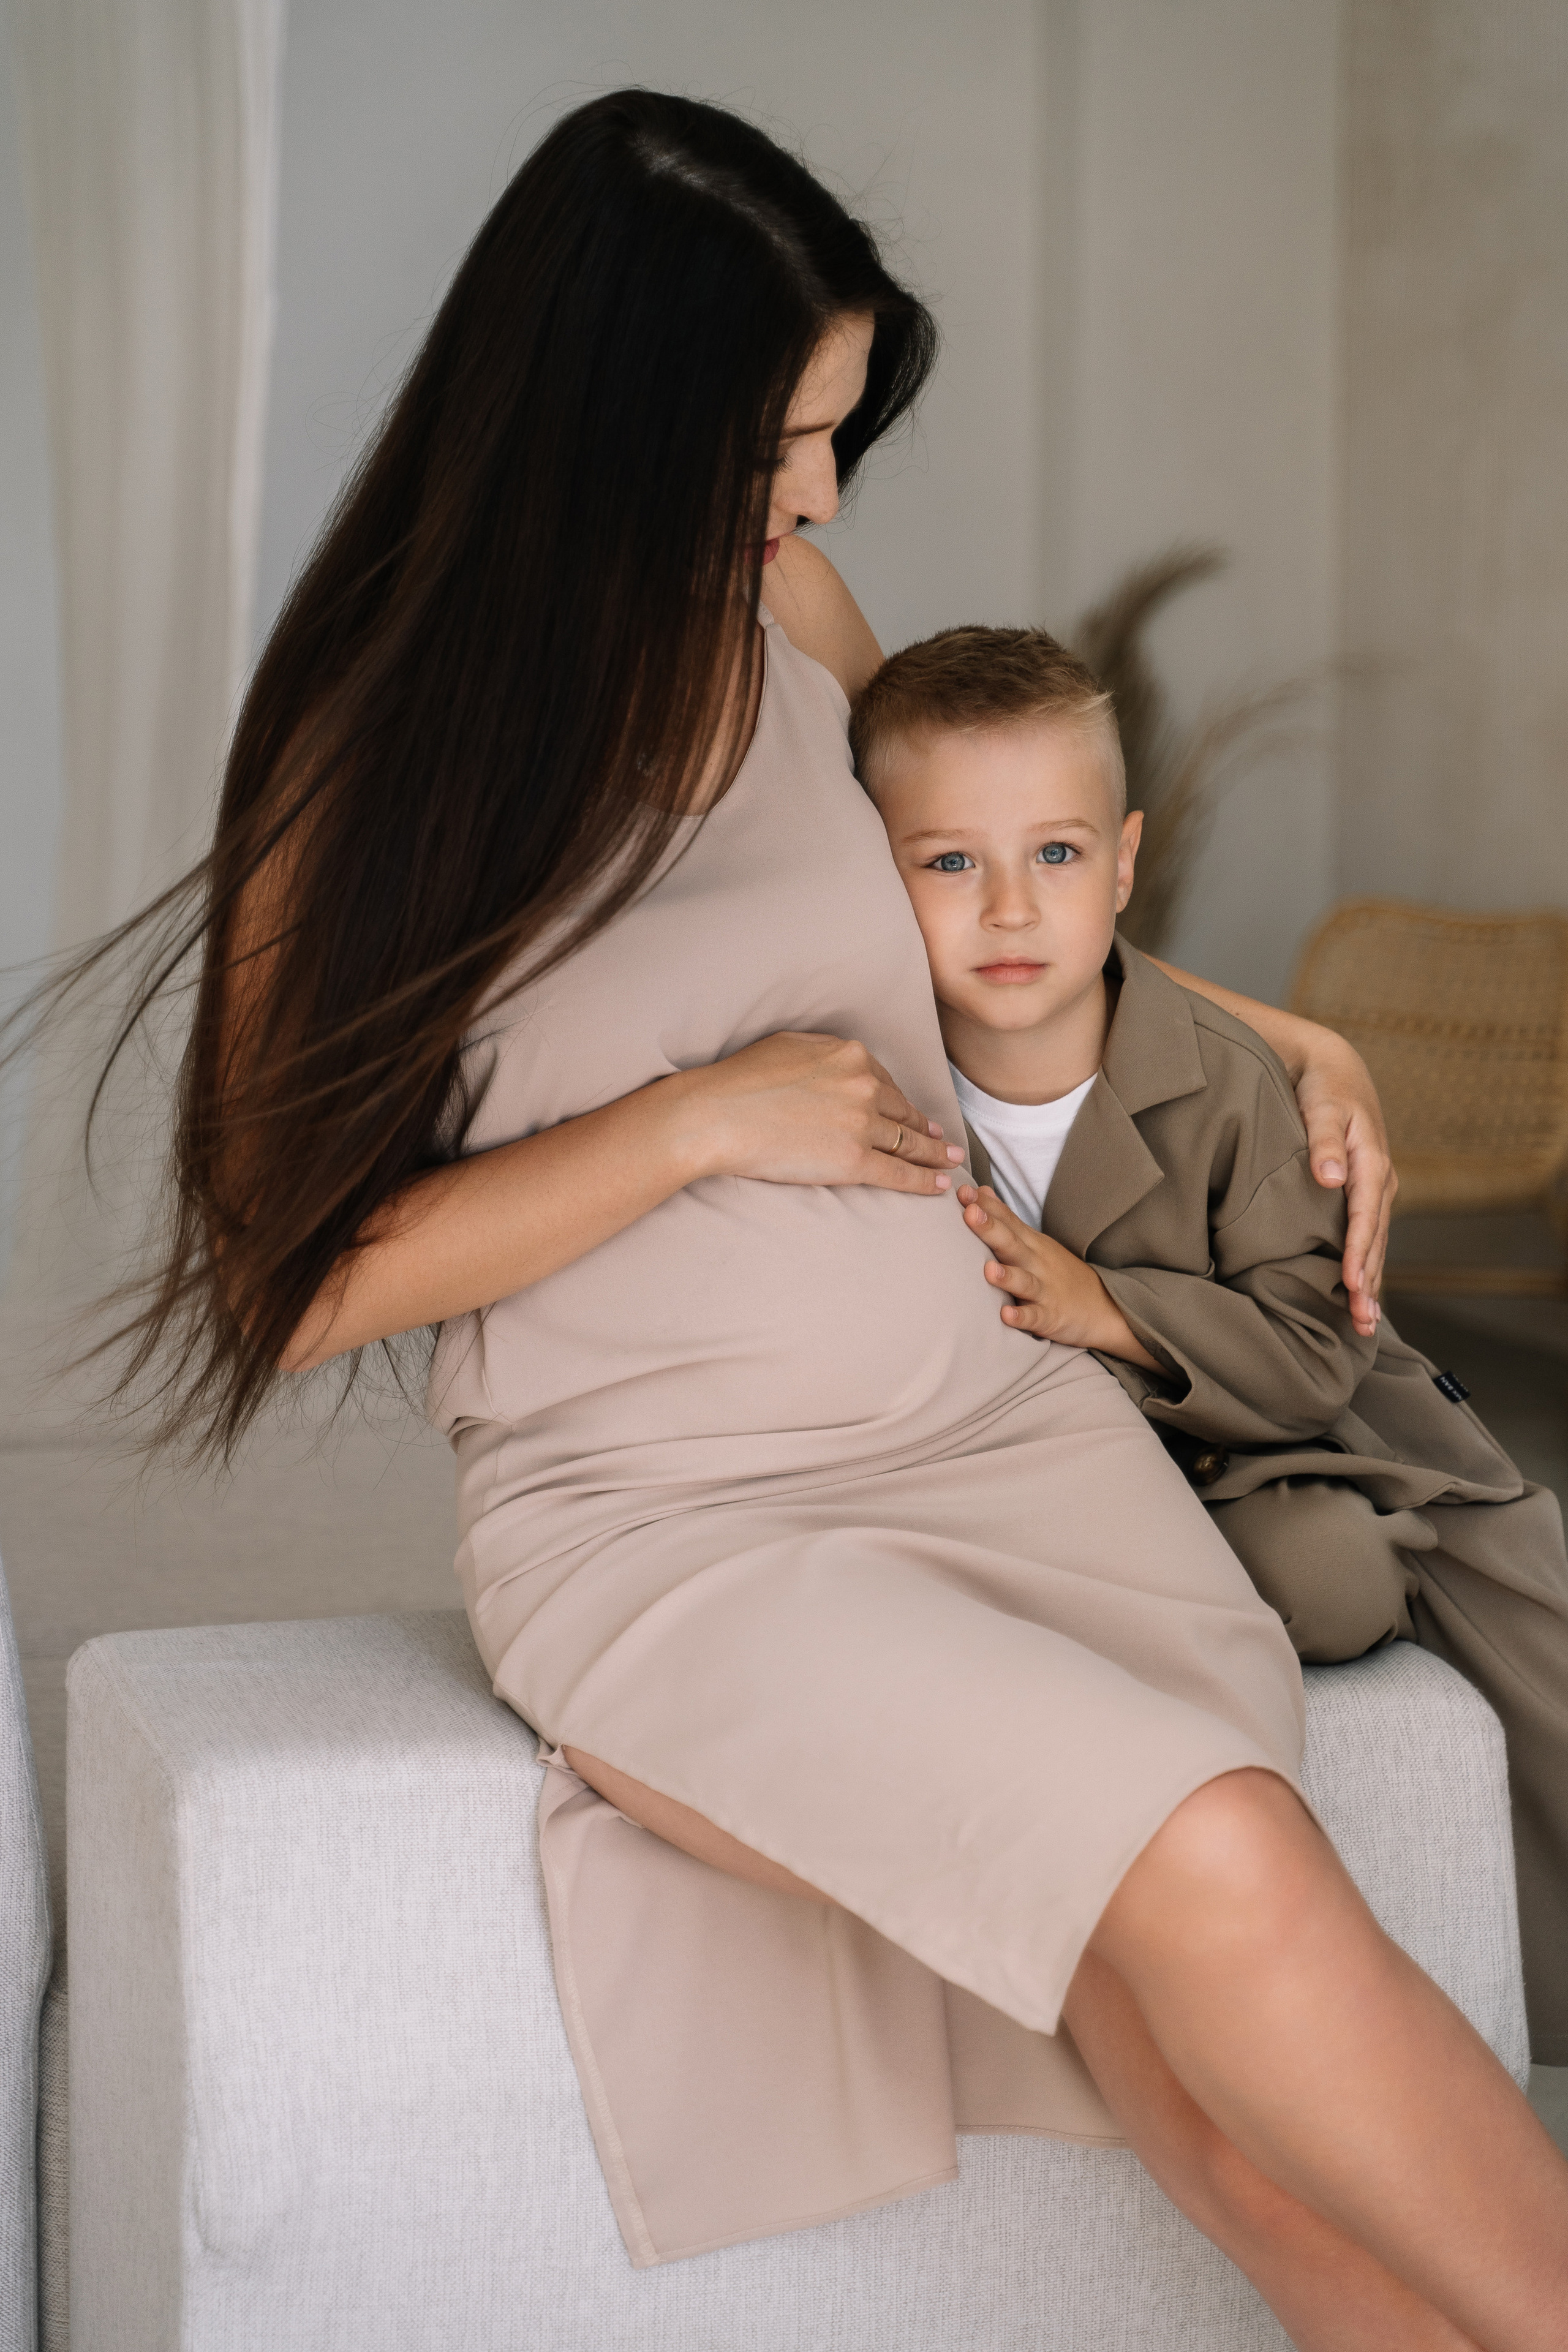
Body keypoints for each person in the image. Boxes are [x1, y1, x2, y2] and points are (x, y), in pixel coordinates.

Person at [73, 89, 1566, 2348]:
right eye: (776, 438)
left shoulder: (789, 608)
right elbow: (295, 1284)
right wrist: (694, 1125)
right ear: (610, 417)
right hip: (679, 1533)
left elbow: (989, 905)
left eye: (838, 433)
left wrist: (1275, 1031)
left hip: (1010, 1435)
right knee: (1225, 1863)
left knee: (1211, 2101)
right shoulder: (371, 759)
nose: (818, 494)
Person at [851, 621, 1568, 2070]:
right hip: (1017, 1463)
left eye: (1052, 857)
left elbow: (1311, 1360)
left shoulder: (1232, 1086)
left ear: (1122, 867)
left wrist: (1103, 1304)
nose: (1006, 909)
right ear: (875, 882)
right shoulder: (882, 1076)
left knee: (1334, 1572)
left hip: (1249, 1444)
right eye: (946, 864)